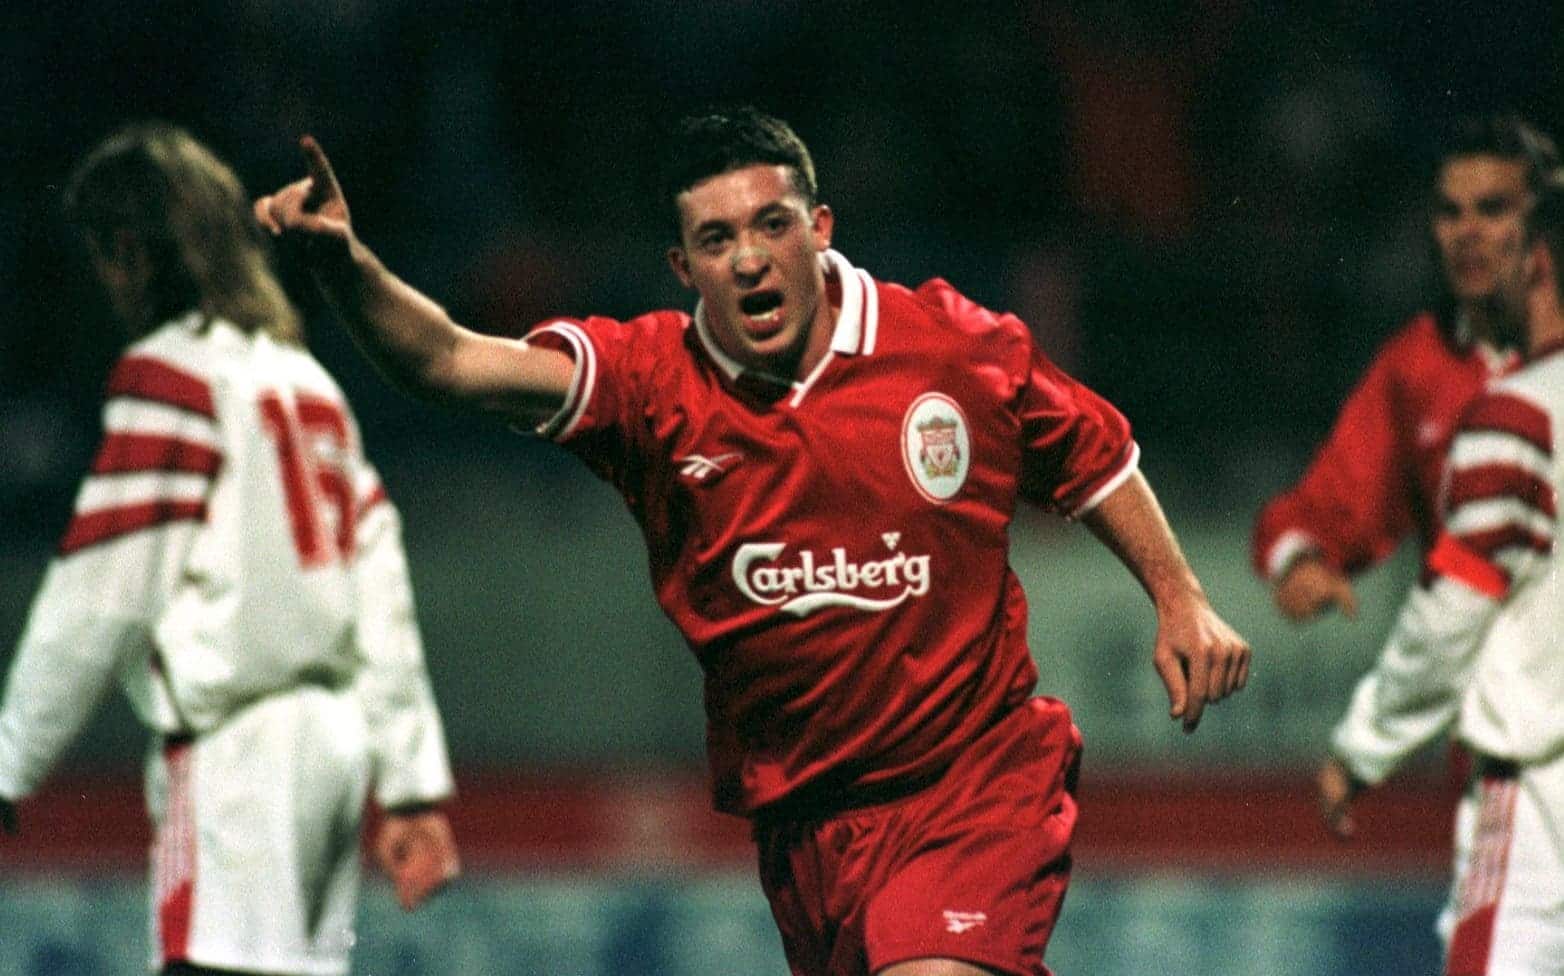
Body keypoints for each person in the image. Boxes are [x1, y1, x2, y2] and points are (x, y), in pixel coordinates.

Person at [255, 106, 1250, 976]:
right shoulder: (650, 385)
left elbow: (1093, 456)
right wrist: (346, 268)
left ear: (818, 230)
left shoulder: (953, 347)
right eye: (717, 237)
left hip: (971, 784)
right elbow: (448, 361)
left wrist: (1178, 594)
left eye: (771, 225)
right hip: (805, 830)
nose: (748, 256)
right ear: (683, 267)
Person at [0, 123, 460, 976]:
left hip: (237, 763)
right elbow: (380, 589)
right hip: (333, 748)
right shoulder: (306, 382)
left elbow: (102, 590)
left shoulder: (171, 375)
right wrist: (409, 783)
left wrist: (11, 754)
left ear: (133, 251)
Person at [1244, 113, 1556, 819]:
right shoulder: (1419, 368)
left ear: (1539, 230)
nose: (1467, 232)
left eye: (1493, 208)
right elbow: (1321, 508)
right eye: (1450, 212)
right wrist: (1301, 561)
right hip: (1513, 769)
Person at [1313, 169, 1564, 975]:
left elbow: (1453, 609)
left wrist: (1362, 747)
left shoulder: (1520, 414)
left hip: (1541, 815)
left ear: (1537, 263)